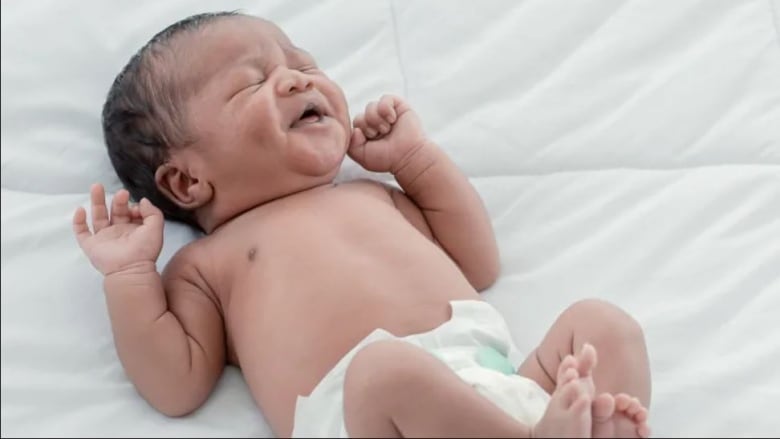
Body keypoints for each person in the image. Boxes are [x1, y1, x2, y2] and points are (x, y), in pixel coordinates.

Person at [72, 11, 651, 438]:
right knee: (384, 369)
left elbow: (477, 263)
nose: (298, 80)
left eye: (303, 65)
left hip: (496, 393)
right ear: (186, 182)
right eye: (252, 82)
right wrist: (128, 275)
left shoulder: (375, 195)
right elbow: (176, 385)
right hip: (367, 414)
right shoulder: (208, 264)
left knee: (604, 324)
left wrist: (415, 160)